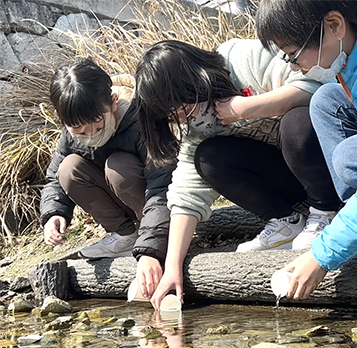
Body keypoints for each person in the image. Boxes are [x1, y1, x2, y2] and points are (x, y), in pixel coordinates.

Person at [135, 39, 341, 308]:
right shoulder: (197, 128)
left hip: (327, 167)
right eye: (177, 117)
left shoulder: (243, 59)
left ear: (196, 80)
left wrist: (246, 107)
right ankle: (287, 221)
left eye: (185, 109)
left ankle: (327, 213)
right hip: (291, 180)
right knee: (208, 158)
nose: (187, 120)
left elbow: (319, 88)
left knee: (297, 122)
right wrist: (172, 267)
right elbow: (186, 195)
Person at [256, 0, 357, 300]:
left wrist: (323, 255)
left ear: (334, 25)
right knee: (326, 101)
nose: (293, 66)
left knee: (351, 158)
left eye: (293, 54)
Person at [40, 59, 175, 297]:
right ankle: (125, 236)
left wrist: (151, 251)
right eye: (79, 130)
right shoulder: (72, 131)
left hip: (159, 205)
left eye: (97, 123)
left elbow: (161, 187)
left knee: (118, 167)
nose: (90, 134)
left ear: (113, 102)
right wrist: (54, 213)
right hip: (122, 200)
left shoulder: (143, 120)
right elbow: (54, 179)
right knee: (68, 169)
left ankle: (156, 237)